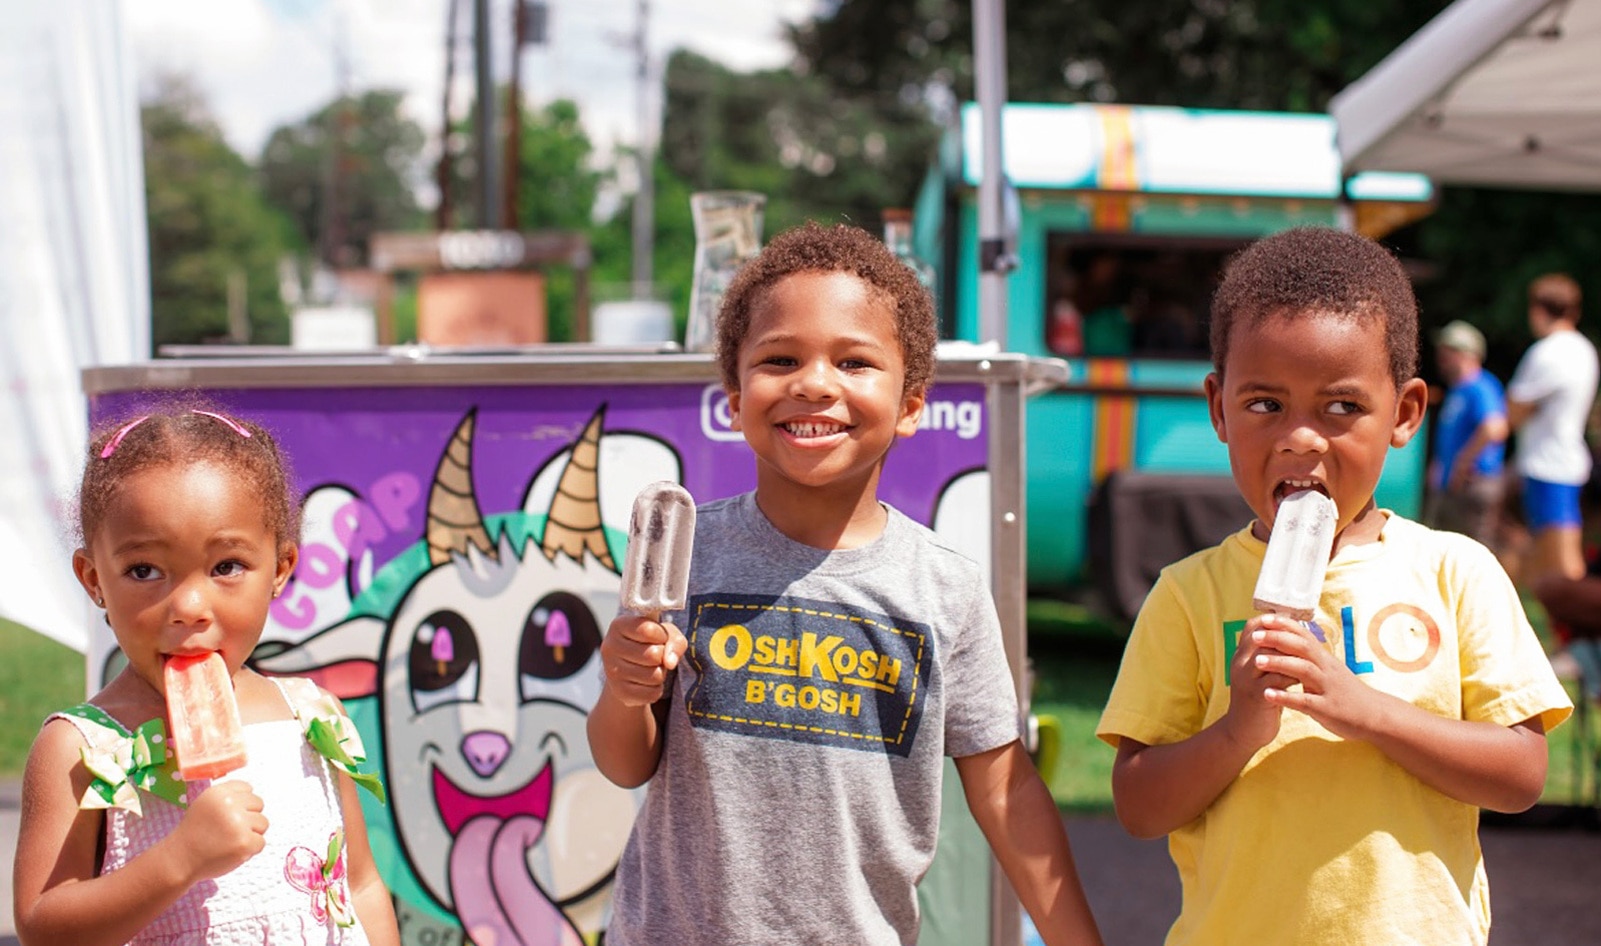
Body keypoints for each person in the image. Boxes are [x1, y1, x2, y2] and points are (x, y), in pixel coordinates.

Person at [587, 222, 1104, 946]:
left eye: (855, 362)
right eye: (779, 358)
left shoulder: (944, 588)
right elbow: (624, 761)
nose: (814, 383)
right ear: (733, 400)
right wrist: (625, 688)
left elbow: (1005, 790)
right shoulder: (687, 556)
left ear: (911, 404)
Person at [1096, 227, 1571, 946]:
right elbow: (1137, 804)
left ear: (1405, 413)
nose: (1301, 439)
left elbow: (1520, 773)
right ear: (1218, 408)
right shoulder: (1187, 594)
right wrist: (1238, 730)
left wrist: (1362, 709)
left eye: (1341, 408)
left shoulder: (1455, 572)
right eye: (1264, 405)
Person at [12, 406, 400, 946]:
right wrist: (180, 859)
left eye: (226, 567)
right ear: (94, 578)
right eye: (145, 571)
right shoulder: (81, 749)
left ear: (281, 569)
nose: (190, 606)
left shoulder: (311, 716)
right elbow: (42, 926)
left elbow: (359, 886)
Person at [1506, 272, 1598, 585]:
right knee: (1545, 557)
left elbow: (1514, 410)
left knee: (1563, 559)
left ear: (1538, 310)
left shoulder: (1548, 352)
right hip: (1566, 459)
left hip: (1548, 465)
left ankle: (1581, 629)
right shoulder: (1584, 349)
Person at [1424, 319, 1509, 547]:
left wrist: (1463, 463)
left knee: (1474, 553)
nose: (1440, 357)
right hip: (1453, 484)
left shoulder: (1481, 386)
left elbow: (1495, 428)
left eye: (1446, 350)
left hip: (1472, 483)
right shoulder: (1457, 390)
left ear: (1465, 353)